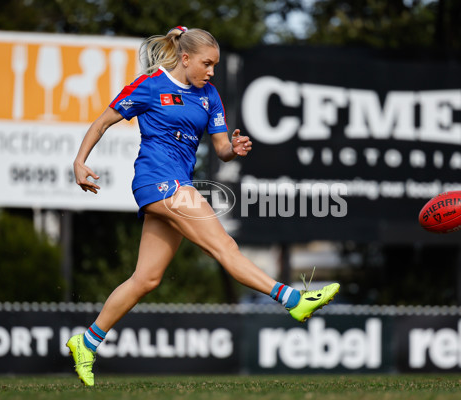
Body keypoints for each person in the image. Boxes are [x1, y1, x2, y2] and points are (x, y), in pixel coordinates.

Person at [66, 26, 340, 387]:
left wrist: (235, 148)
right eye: (207, 64)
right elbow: (103, 121)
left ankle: (86, 341)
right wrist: (79, 161)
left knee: (146, 279)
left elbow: (222, 148)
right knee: (224, 246)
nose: (211, 71)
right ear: (185, 58)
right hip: (158, 181)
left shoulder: (209, 95)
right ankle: (292, 299)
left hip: (179, 183)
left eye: (215, 65)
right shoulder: (149, 86)